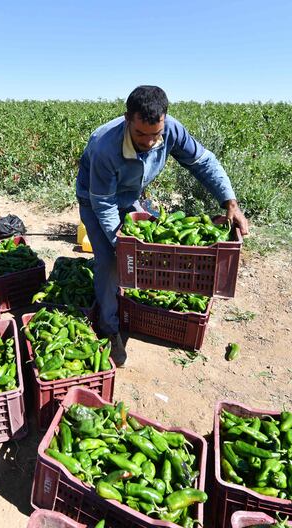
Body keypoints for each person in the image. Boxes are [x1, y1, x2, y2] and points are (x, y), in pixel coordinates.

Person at [75, 85, 250, 366]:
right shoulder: (104, 147)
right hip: (96, 198)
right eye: (140, 134)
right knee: (109, 261)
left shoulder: (172, 131)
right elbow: (104, 205)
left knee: (141, 253)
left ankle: (127, 300)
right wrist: (121, 244)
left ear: (164, 120)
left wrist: (230, 202)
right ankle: (109, 328)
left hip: (130, 195)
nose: (148, 141)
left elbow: (203, 162)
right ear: (127, 119)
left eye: (155, 134)